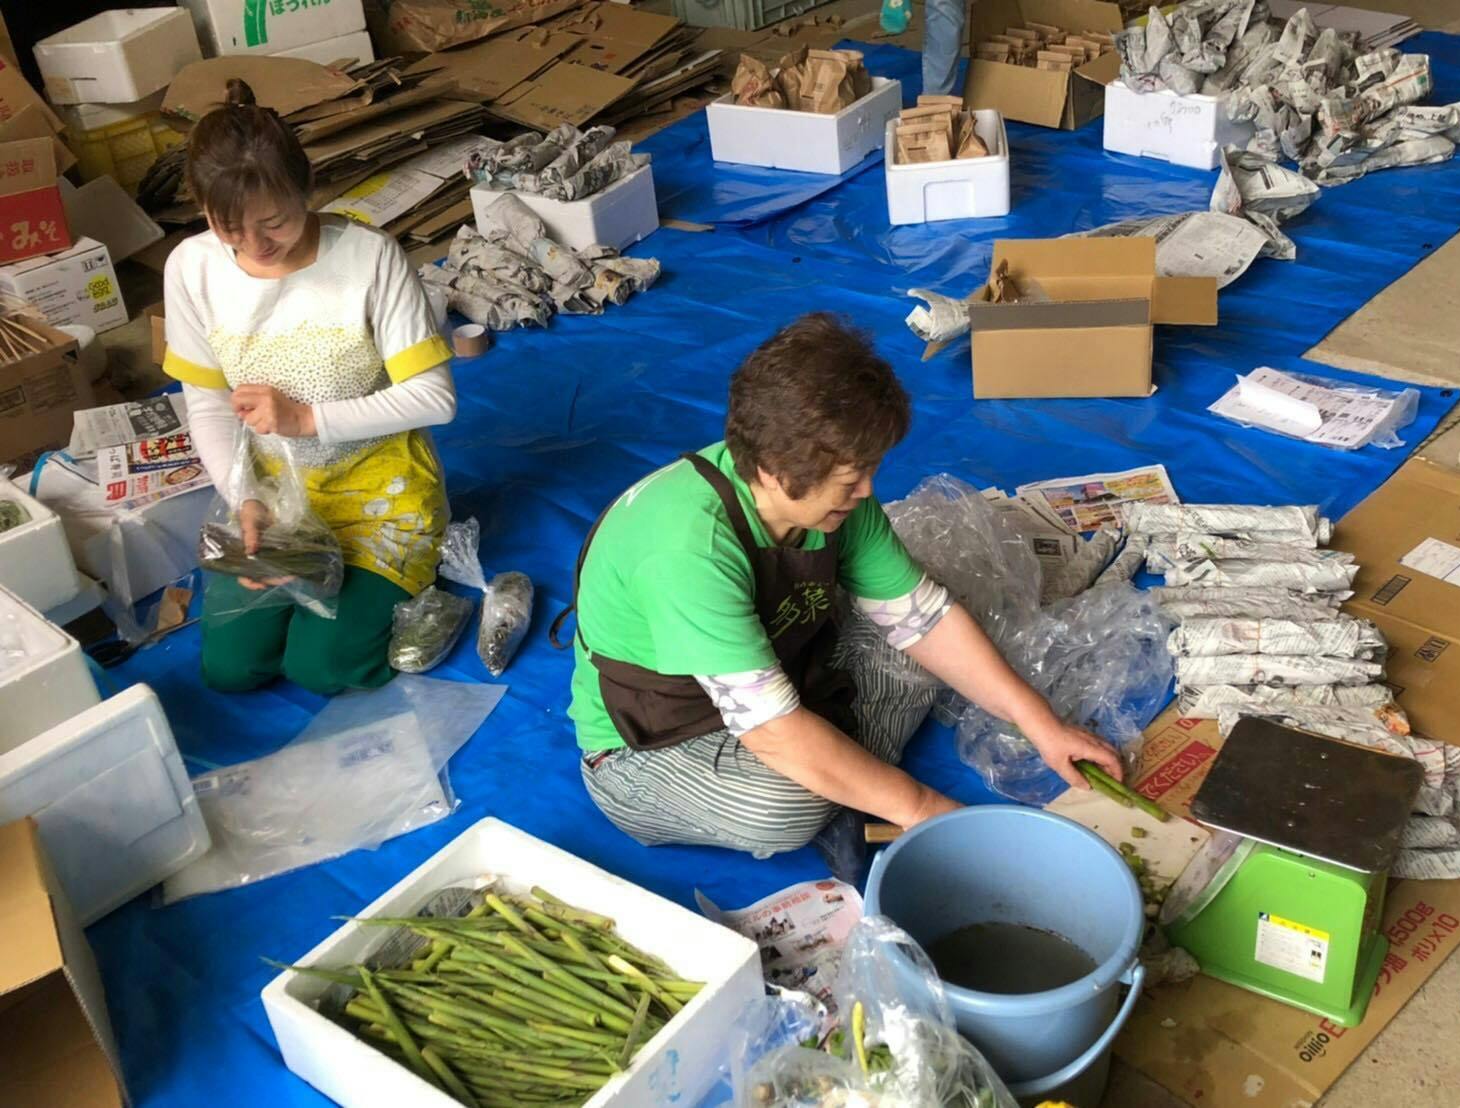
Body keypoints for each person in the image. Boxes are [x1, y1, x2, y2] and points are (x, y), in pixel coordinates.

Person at [564, 313, 1121, 857]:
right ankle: (837, 770)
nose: (867, 491)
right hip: (658, 741)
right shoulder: (688, 551)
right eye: (852, 479)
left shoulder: (829, 501)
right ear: (775, 468)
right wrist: (929, 813)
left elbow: (923, 617)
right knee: (783, 809)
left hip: (777, 675)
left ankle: (840, 767)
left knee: (929, 643)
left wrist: (1041, 723)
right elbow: (770, 730)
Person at [162, 79, 457, 696]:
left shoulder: (369, 259)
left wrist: (306, 420)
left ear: (308, 190)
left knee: (321, 668)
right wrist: (246, 498)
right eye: (231, 229)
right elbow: (210, 406)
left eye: (275, 221)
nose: (256, 245)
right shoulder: (191, 266)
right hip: (280, 501)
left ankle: (418, 590)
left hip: (380, 493)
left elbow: (435, 398)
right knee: (232, 669)